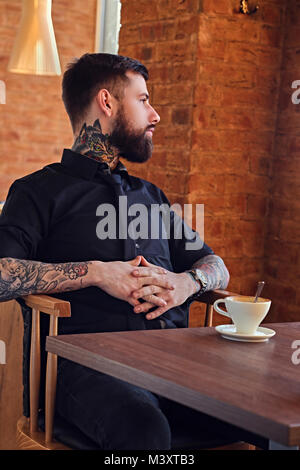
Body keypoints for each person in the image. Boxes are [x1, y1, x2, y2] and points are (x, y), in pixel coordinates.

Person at [0, 53, 242, 450]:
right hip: (83, 369)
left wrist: (186, 282)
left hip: (172, 362)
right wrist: (97, 272)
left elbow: (215, 265)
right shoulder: (36, 192)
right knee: (143, 428)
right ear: (107, 102)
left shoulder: (153, 197)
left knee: (268, 412)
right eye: (143, 99)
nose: (156, 114)